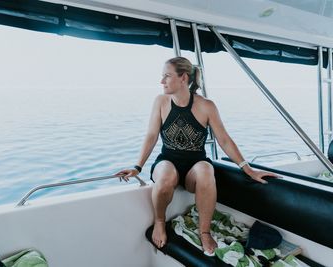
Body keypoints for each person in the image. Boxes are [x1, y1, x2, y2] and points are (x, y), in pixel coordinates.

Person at [116, 57, 278, 254]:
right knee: (165, 176)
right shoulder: (160, 102)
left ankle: (204, 232)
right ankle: (159, 222)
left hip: (195, 166)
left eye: (167, 76)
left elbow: (224, 140)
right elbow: (151, 135)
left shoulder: (206, 106)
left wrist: (248, 170)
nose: (162, 81)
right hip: (168, 161)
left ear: (183, 78)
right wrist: (137, 167)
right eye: (162, 76)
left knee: (206, 170)